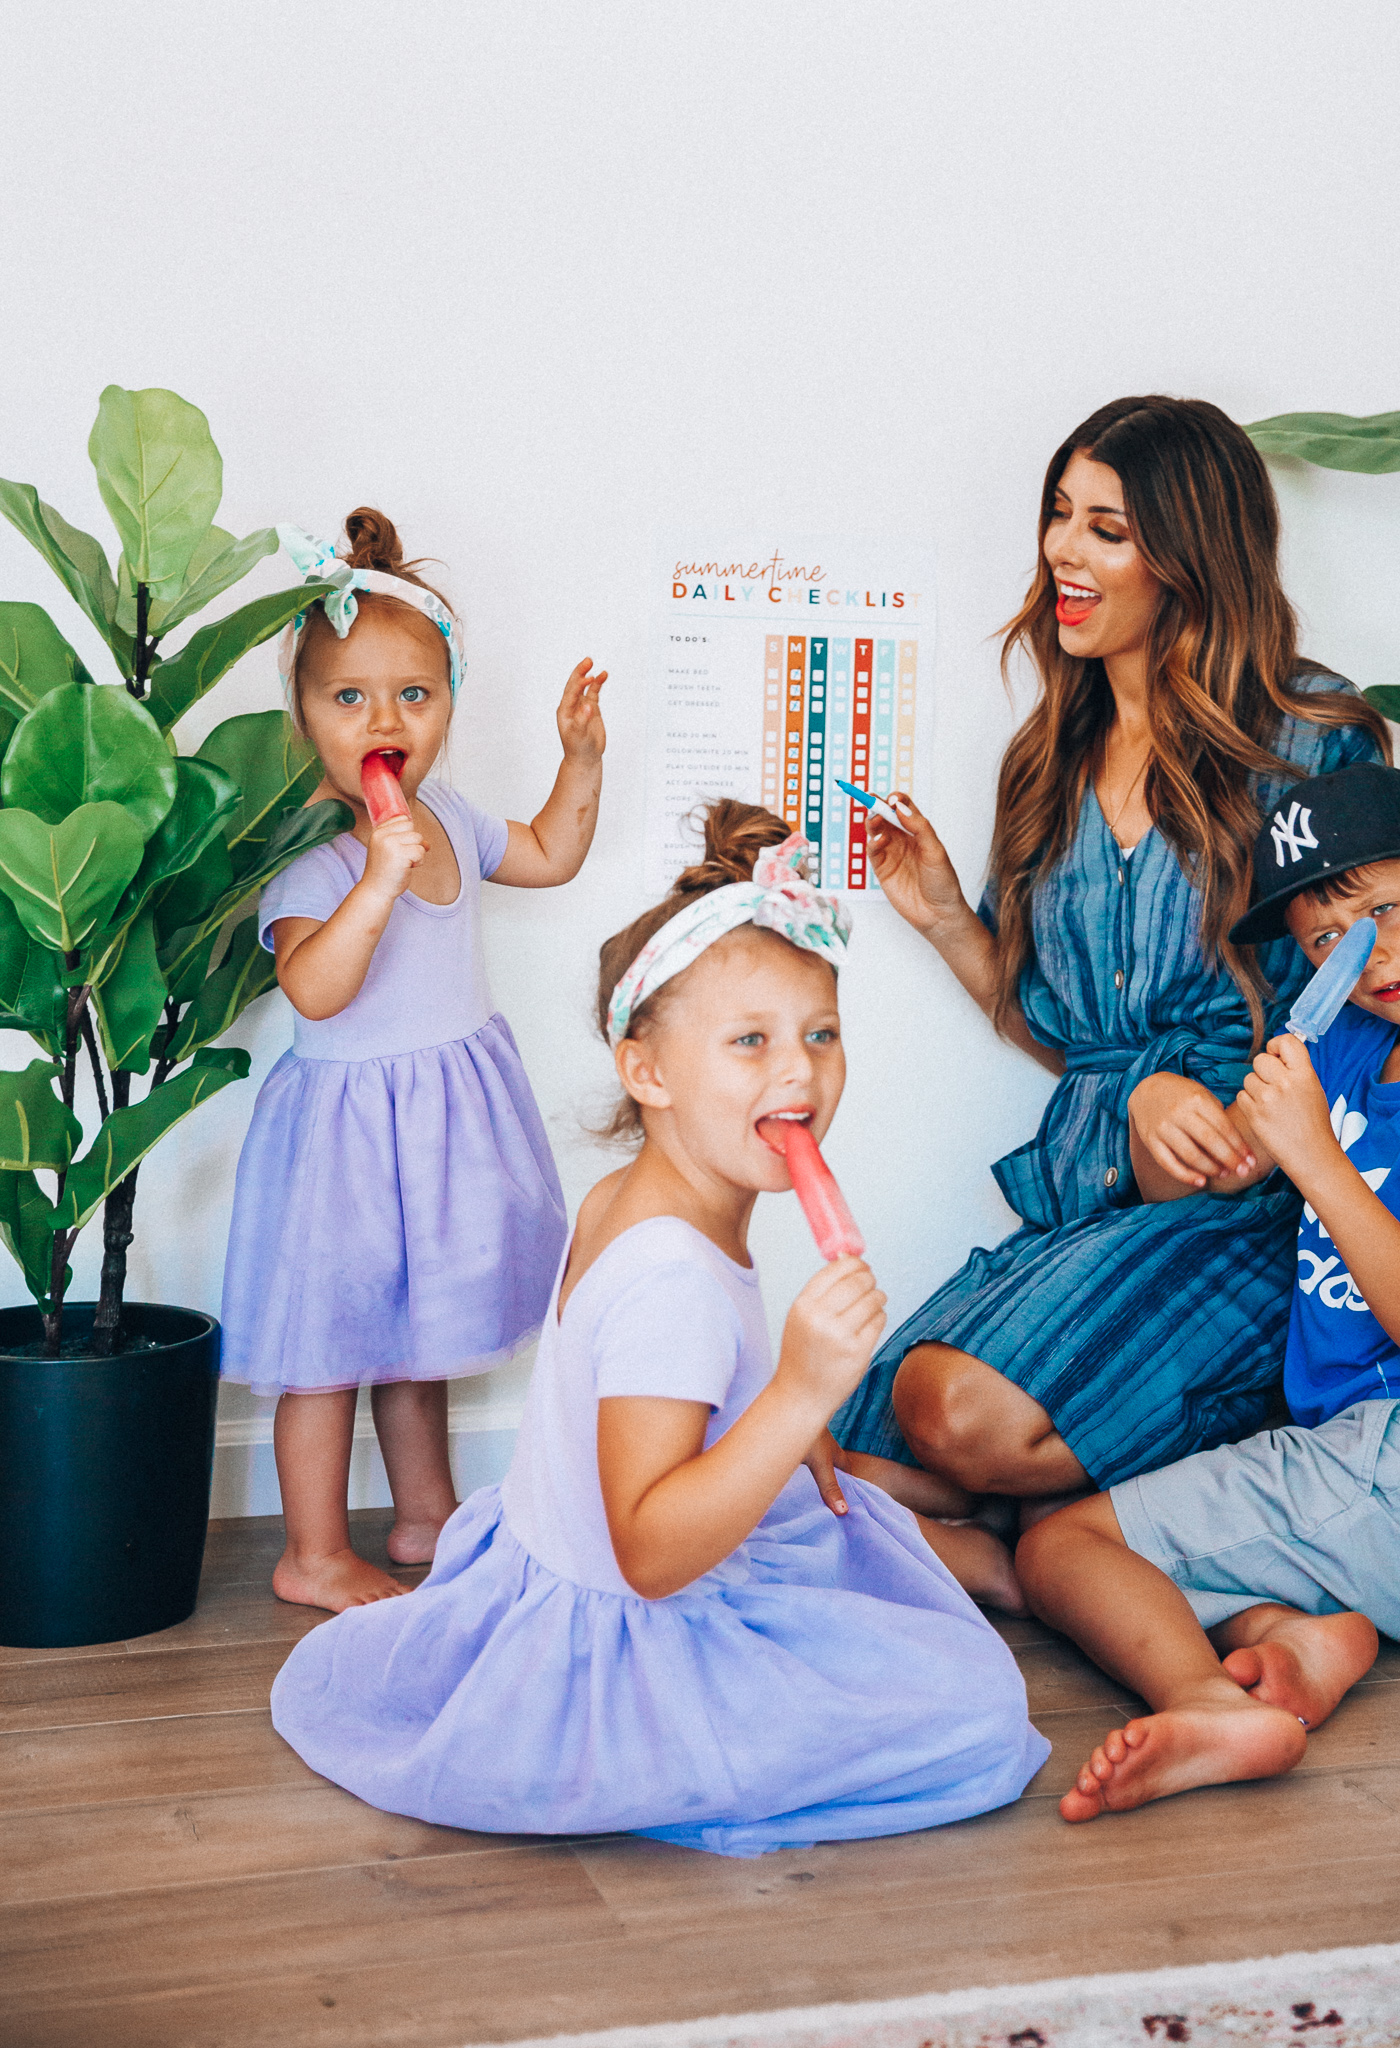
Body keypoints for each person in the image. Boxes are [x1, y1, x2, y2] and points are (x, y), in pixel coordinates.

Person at [831, 397, 1400, 1579]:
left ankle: (1160, 1482)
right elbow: (1056, 1023)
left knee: (962, 1420)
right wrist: (948, 916)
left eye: (1105, 527)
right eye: (1058, 516)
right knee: (855, 1467)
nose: (1060, 550)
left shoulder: (1308, 737)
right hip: (1098, 1177)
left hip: (1259, 1189)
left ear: (1188, 553)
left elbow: (1389, 948)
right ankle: (1056, 1533)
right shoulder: (1048, 757)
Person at [269, 803, 1049, 1855]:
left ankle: (968, 1548)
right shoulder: (668, 1273)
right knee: (982, 1719)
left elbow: (669, 1398)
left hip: (577, 1556)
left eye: (821, 1033)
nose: (799, 1072)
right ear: (647, 1071)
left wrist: (789, 1415)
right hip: (626, 1642)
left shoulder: (641, 1196)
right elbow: (647, 1552)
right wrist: (795, 1393)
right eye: (749, 1041)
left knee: (837, 1515)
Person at [1017, 763, 1400, 1818]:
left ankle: (1207, 1708)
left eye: (1383, 911)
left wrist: (1312, 1153)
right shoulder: (1357, 1039)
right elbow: (1251, 1152)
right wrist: (1198, 1123)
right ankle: (1311, 1641)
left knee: (1062, 1547)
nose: (1364, 955)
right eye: (1328, 939)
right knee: (1091, 1549)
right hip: (1373, 1474)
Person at [220, 510, 608, 1613]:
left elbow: (546, 851)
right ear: (300, 718)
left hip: (441, 1126)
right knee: (328, 1349)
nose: (383, 719)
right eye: (348, 698)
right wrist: (376, 879)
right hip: (345, 1140)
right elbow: (313, 987)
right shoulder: (311, 853)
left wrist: (579, 760)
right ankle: (310, 1549)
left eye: (413, 694)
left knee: (417, 1340)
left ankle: (427, 1512)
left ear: (447, 703)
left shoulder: (443, 811)